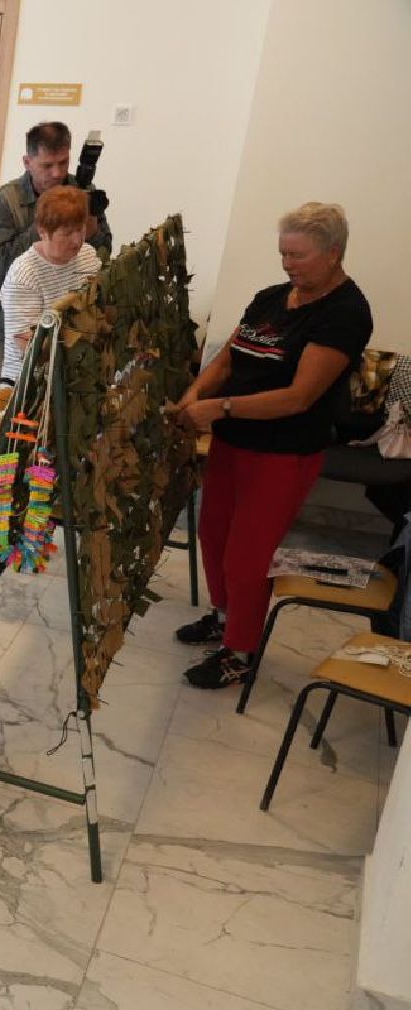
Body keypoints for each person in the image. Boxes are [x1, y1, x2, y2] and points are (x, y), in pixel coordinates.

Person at [171, 202, 374, 689]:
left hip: (284, 452)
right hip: (234, 442)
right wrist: (196, 392)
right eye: (283, 254)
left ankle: (239, 652)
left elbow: (299, 397)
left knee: (247, 555)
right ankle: (223, 618)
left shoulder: (346, 313)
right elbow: (230, 357)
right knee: (213, 535)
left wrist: (218, 409)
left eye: (298, 256)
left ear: (333, 253)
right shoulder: (271, 298)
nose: (288, 265)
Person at [0, 121, 113, 384]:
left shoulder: (81, 191)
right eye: (47, 166)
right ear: (27, 162)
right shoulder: (6, 199)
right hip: (11, 328)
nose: (57, 174)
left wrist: (89, 229)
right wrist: (50, 220)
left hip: (69, 333)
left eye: (63, 163)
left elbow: (103, 252)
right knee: (4, 405)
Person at [0, 186, 104, 382]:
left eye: (80, 229)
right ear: (42, 232)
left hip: (77, 378)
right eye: (67, 233)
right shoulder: (23, 276)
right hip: (31, 389)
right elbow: (31, 350)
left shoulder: (88, 255)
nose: (77, 241)